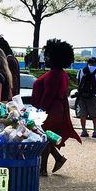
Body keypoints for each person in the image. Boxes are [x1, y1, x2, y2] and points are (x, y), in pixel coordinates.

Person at [31, 38, 81, 176]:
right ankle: (58, 158)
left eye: (47, 56)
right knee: (46, 137)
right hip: (56, 110)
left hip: (50, 111)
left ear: (54, 58)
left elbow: (48, 94)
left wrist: (39, 112)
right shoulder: (62, 74)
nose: (45, 59)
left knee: (44, 137)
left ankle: (43, 169)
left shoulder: (54, 74)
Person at [76, 57, 96, 138]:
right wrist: (94, 87)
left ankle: (84, 131)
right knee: (95, 114)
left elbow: (78, 82)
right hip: (93, 96)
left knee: (83, 114)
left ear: (87, 63)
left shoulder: (81, 71)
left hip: (82, 96)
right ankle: (95, 131)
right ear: (95, 63)